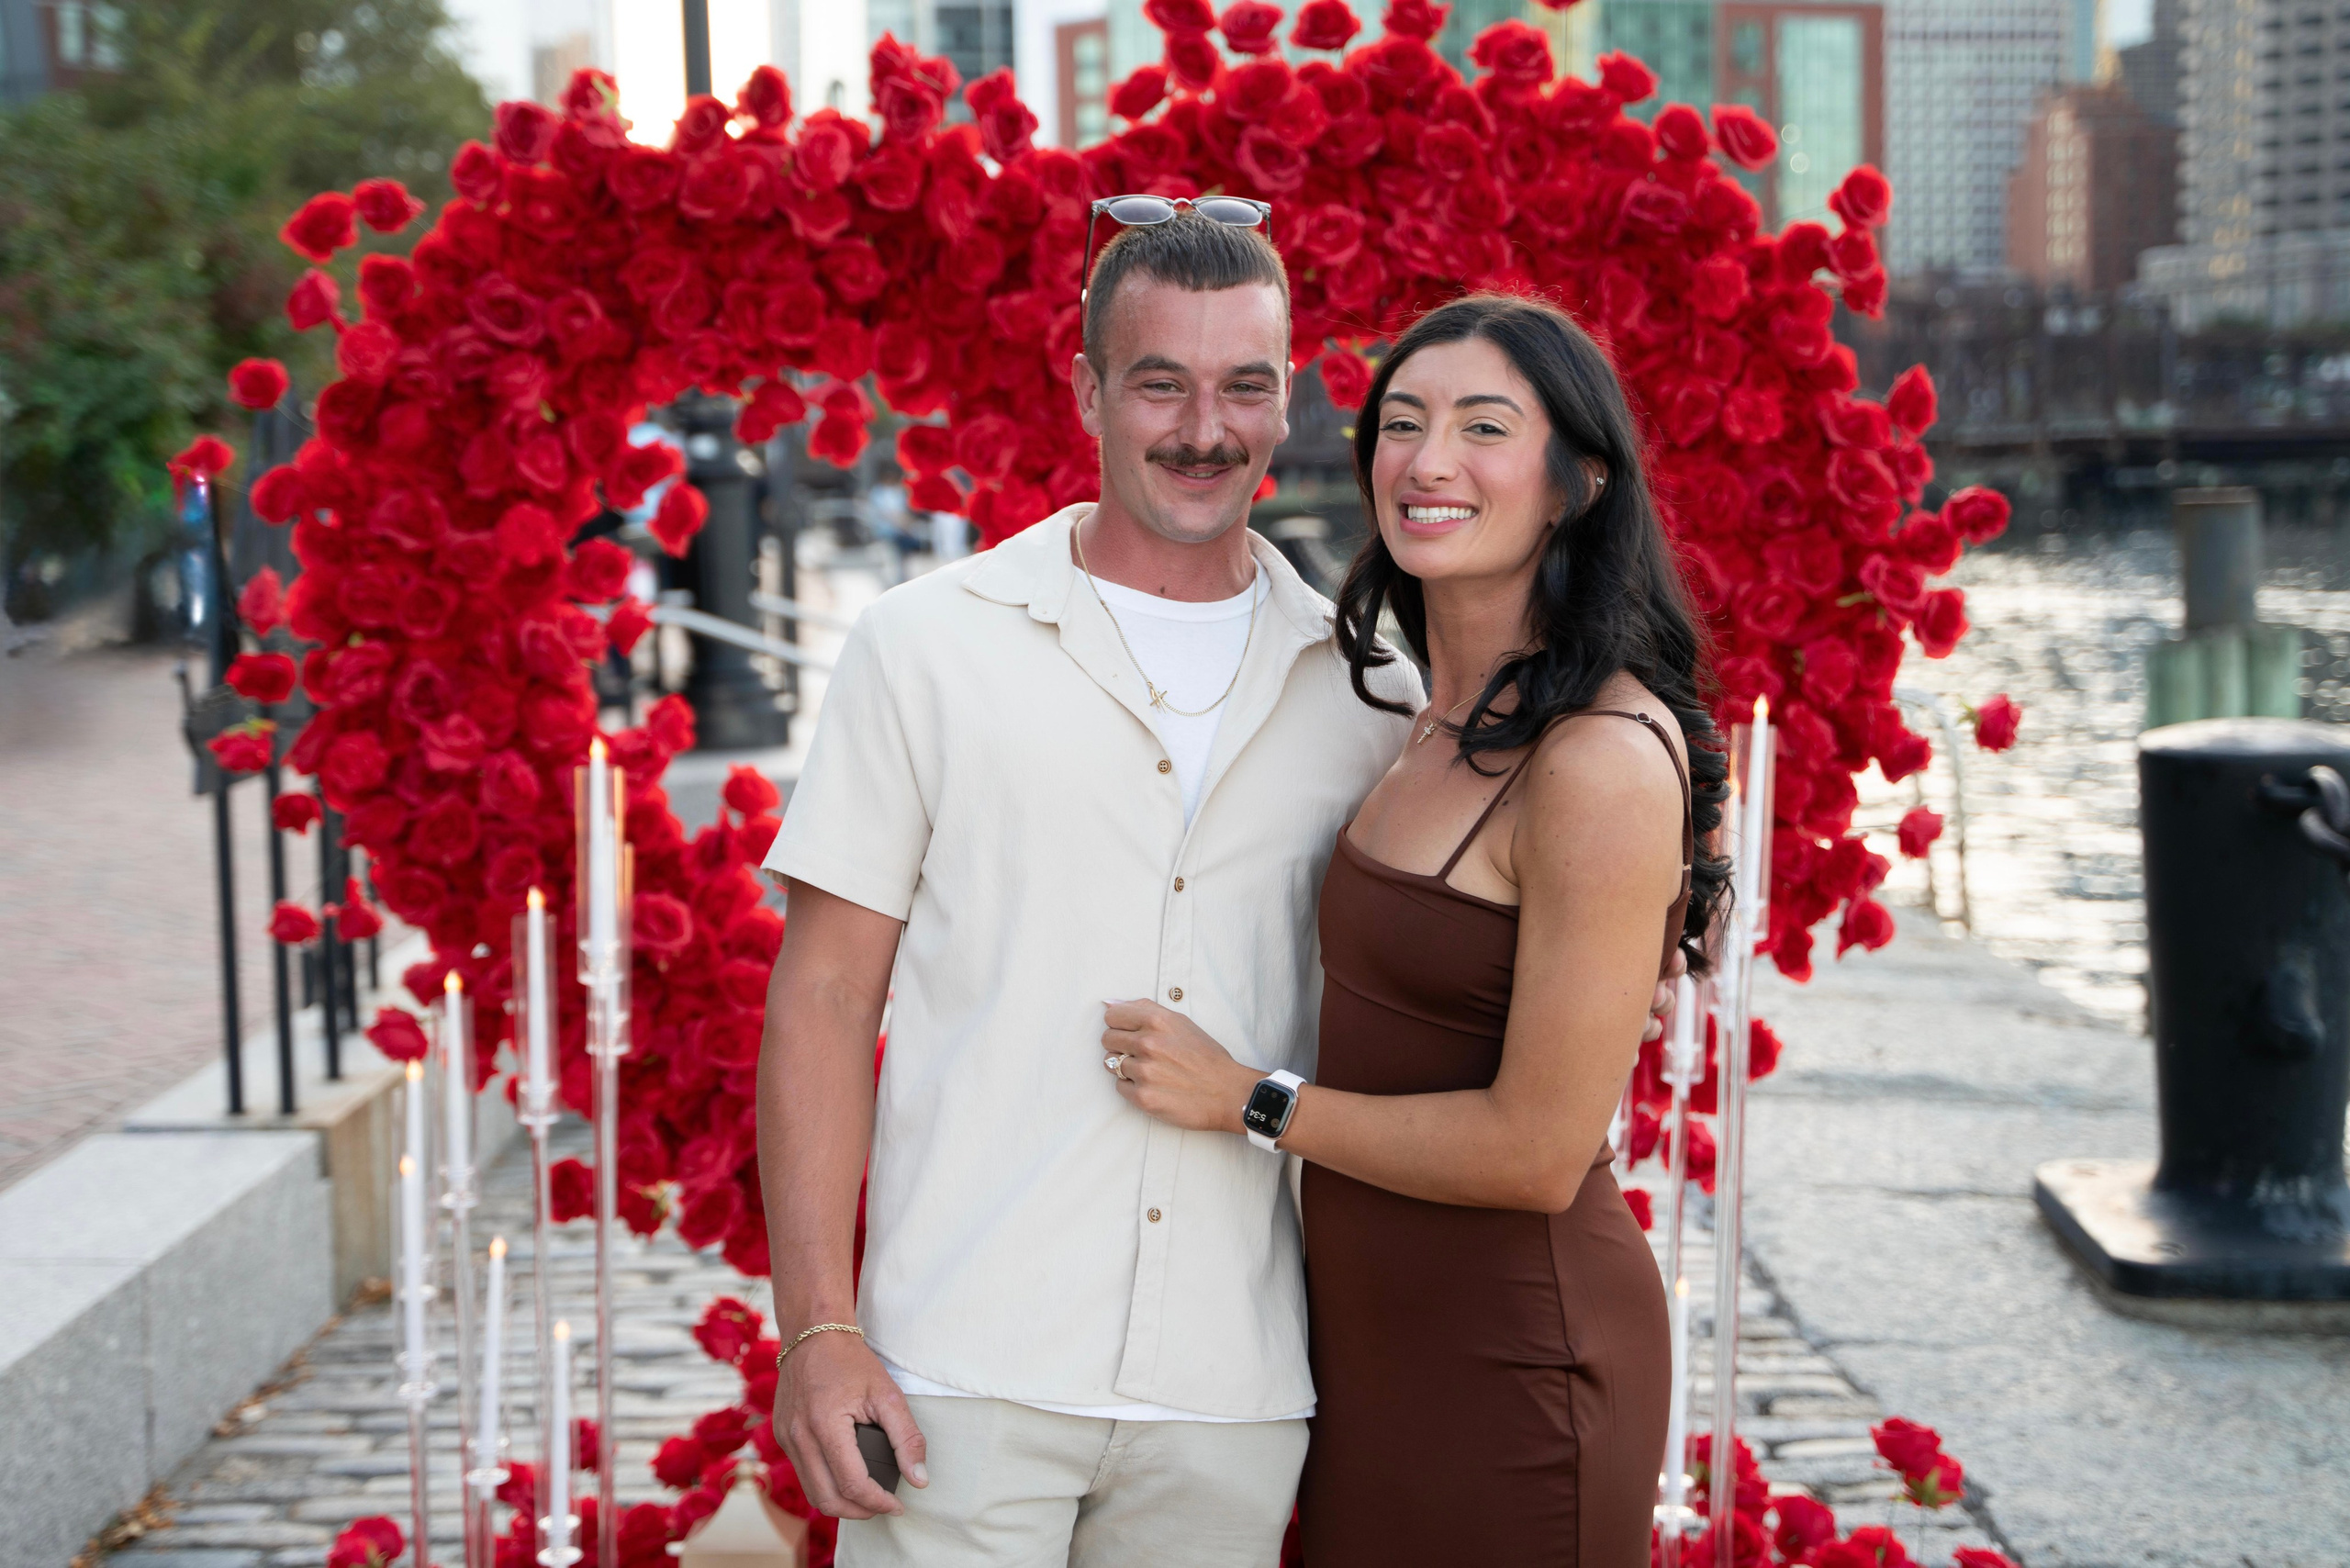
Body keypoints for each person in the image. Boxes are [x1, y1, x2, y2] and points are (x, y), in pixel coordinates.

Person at [753, 208, 1419, 1567]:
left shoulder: (1372, 696)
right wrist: (819, 1331)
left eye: (1243, 385)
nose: (1203, 429)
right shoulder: (926, 650)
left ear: (1286, 396)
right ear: (1088, 390)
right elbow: (823, 994)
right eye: (1159, 382)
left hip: (1231, 1394)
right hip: (961, 1373)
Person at [1102, 292, 1732, 1566]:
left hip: (1514, 1354)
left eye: (1484, 427)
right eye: (1402, 423)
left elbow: (1538, 1153)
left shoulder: (1593, 756)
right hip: (1368, 1349)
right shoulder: (1414, 715)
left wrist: (1248, 1101)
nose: (1429, 461)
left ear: (1575, 483)